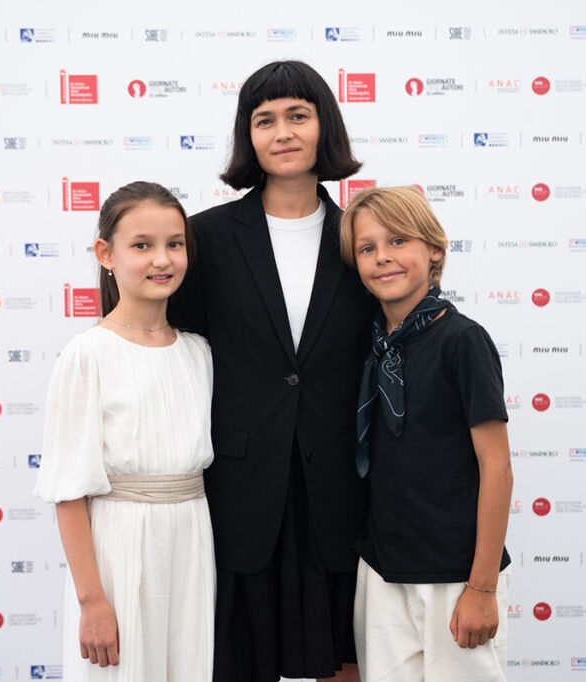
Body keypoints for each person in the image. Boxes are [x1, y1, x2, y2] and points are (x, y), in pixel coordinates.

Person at [169, 60, 375, 682]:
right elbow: (168, 347)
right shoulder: (202, 238)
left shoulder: (363, 237)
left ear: (324, 126)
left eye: (298, 116)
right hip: (237, 490)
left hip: (340, 490)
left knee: (344, 657)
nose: (282, 132)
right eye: (265, 120)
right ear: (248, 136)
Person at [34, 181, 215, 682]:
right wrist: (92, 600)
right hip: (119, 546)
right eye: (142, 245)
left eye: (174, 244)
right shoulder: (88, 354)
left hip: (192, 543)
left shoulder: (198, 352)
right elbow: (68, 491)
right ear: (106, 254)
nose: (162, 259)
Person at [339, 186, 513, 682]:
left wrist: (481, 587)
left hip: (455, 575)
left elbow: (497, 466)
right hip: (383, 569)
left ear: (434, 249)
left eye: (398, 240)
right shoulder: (370, 346)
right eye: (367, 248)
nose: (382, 257)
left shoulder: (463, 341)